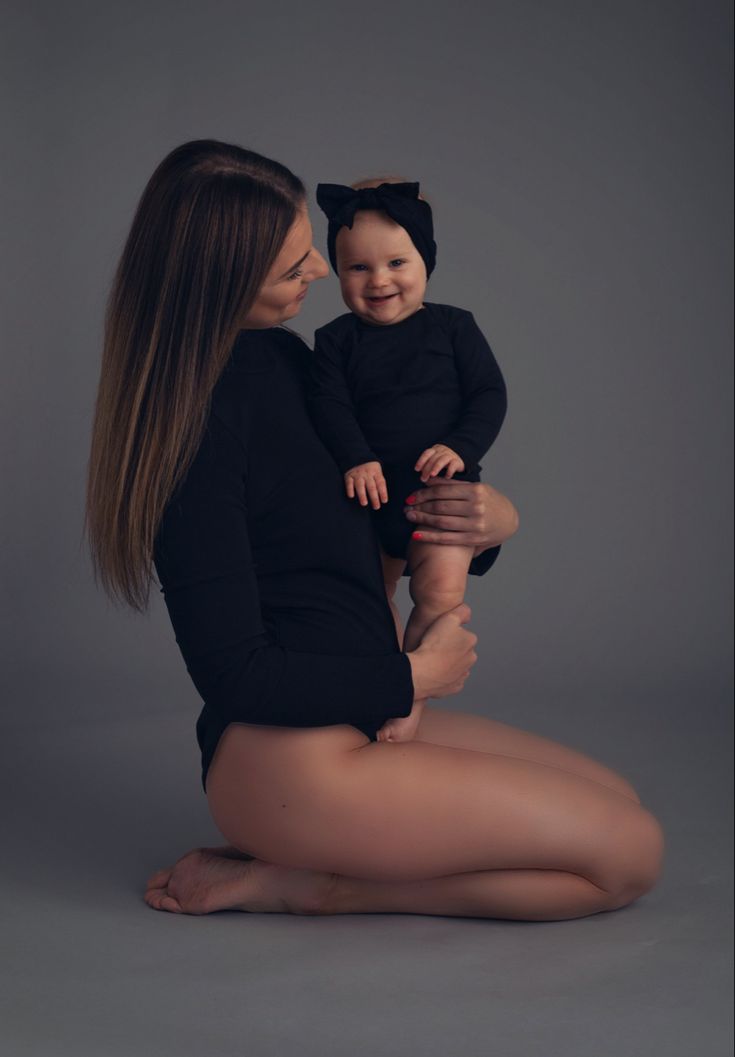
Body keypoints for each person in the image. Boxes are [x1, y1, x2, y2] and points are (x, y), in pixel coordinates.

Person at [86, 139, 663, 921]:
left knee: (618, 800)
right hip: (289, 763)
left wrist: (489, 524)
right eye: (295, 267)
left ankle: (314, 865)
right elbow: (236, 674)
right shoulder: (191, 436)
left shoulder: (294, 366)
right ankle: (308, 884)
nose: (322, 274)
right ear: (220, 280)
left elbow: (364, 531)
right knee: (628, 856)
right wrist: (415, 678)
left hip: (360, 713)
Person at [310, 178, 507, 741]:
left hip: (440, 495)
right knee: (368, 600)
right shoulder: (335, 340)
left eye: (397, 262)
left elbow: (489, 394)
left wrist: (462, 448)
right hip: (367, 497)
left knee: (441, 595)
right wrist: (355, 458)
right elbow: (329, 405)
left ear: (427, 261)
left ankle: (413, 696)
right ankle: (384, 682)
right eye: (357, 268)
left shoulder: (454, 327)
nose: (380, 281)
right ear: (339, 271)